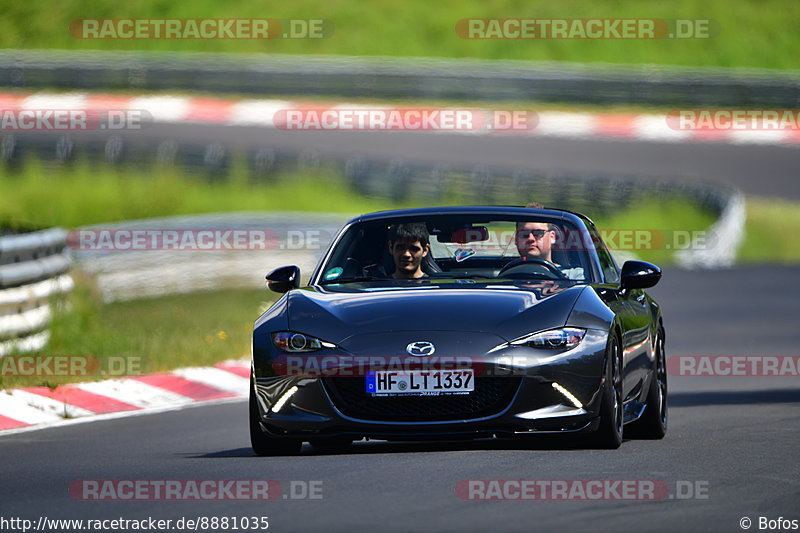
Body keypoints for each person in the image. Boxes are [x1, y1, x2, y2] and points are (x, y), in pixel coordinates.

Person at [514, 202, 585, 280]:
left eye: (538, 233)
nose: (531, 238)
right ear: (516, 239)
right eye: (524, 234)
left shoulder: (574, 276)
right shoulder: (502, 278)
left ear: (552, 237)